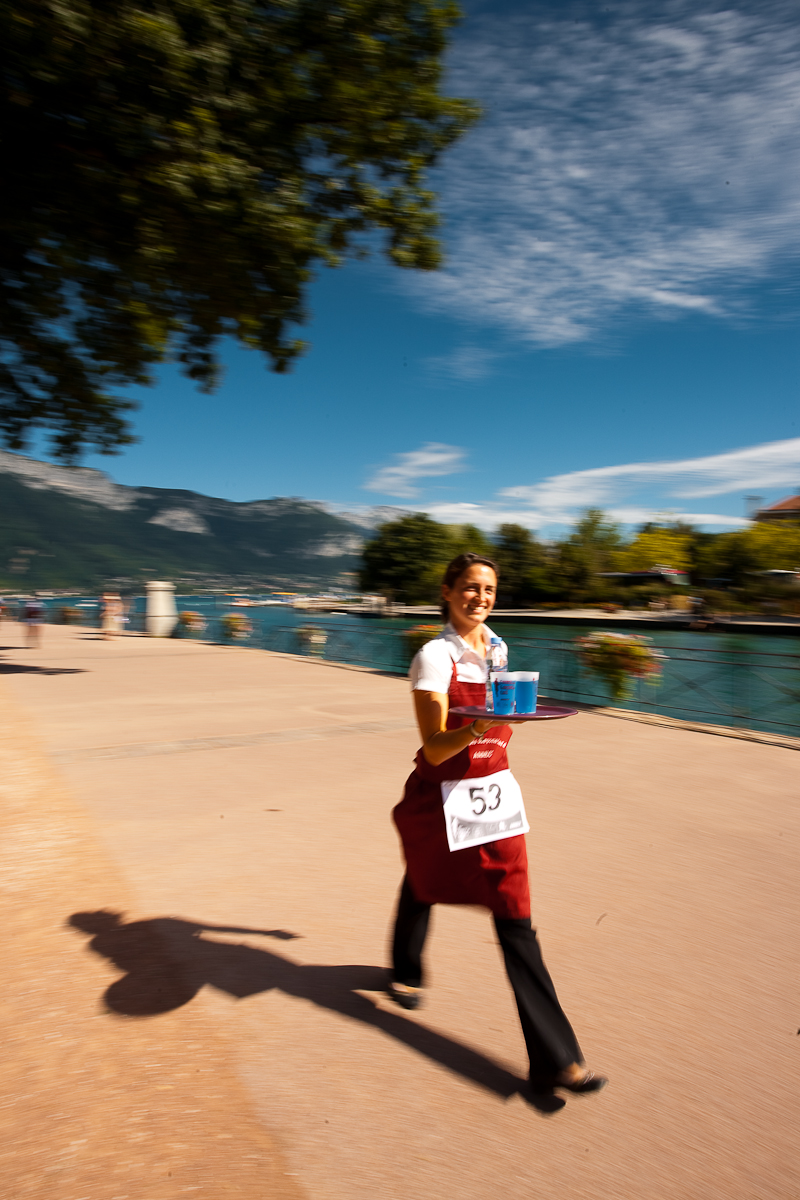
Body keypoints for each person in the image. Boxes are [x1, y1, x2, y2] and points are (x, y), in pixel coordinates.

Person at [389, 552, 607, 1096]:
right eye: (469, 587)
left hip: (493, 790)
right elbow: (435, 748)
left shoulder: (500, 648)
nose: (480, 597)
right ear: (446, 591)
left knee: (514, 910)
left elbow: (506, 715)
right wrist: (479, 725)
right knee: (425, 874)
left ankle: (556, 1059)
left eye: (488, 589)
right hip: (442, 792)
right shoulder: (434, 657)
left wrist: (509, 719)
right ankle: (406, 966)